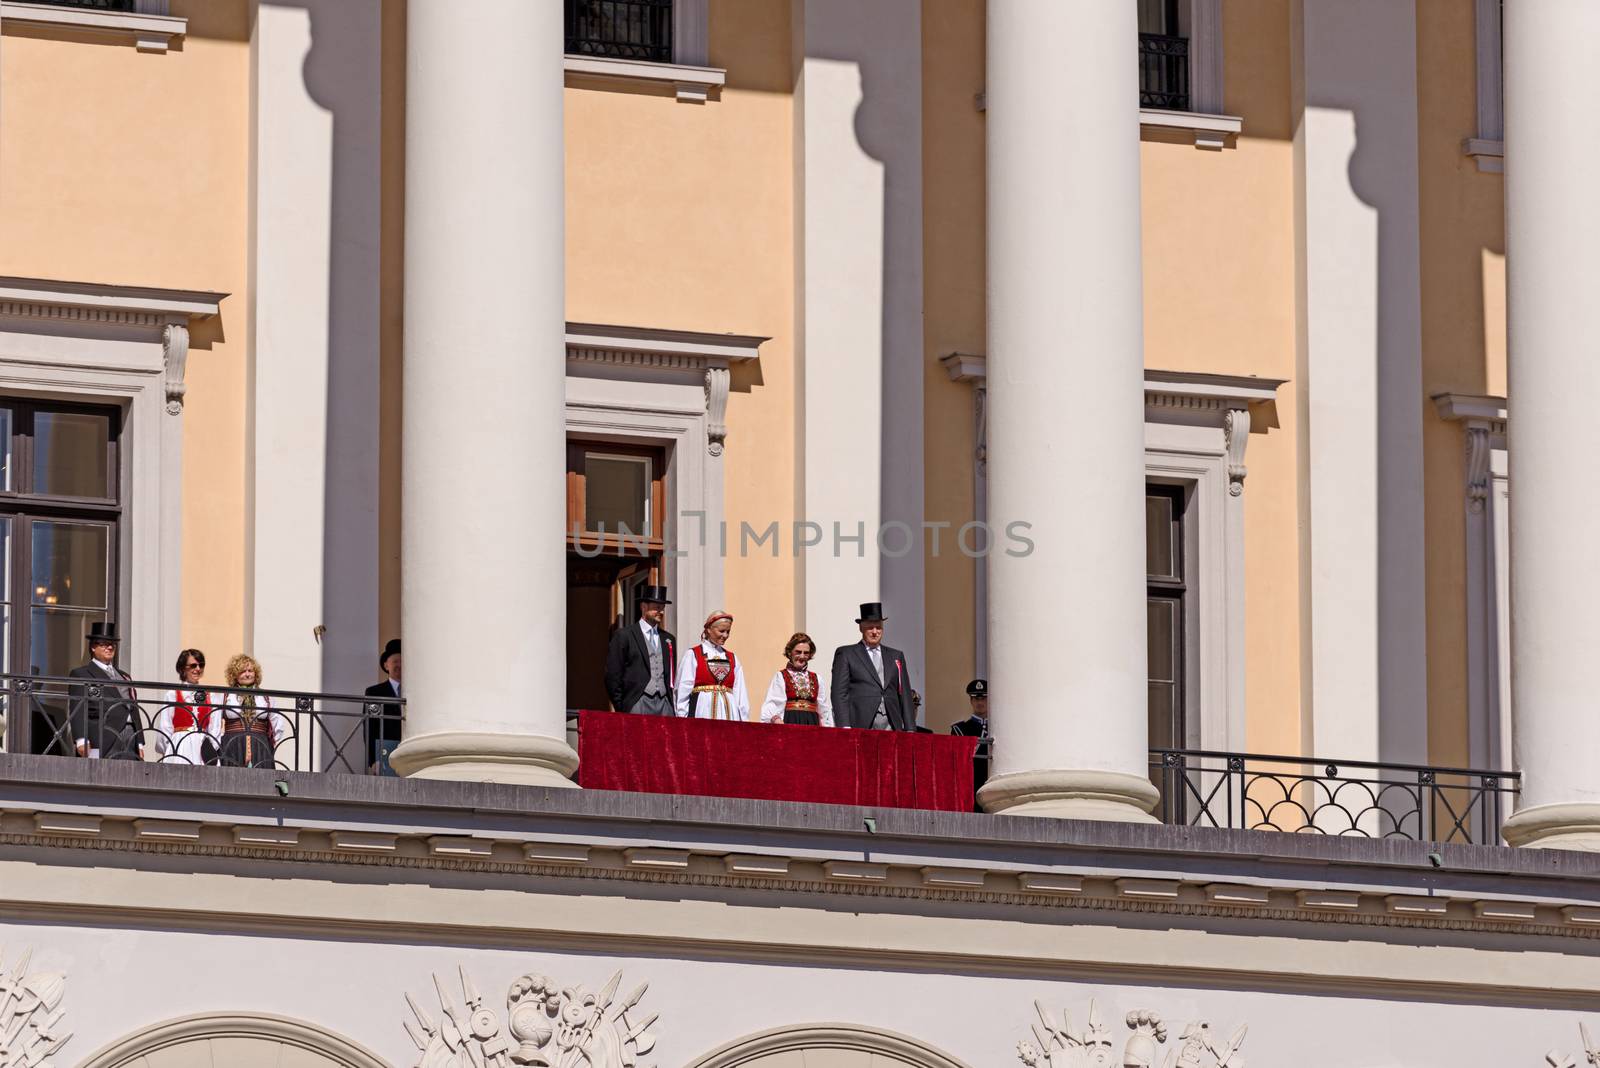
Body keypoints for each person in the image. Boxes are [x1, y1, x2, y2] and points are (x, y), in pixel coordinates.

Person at [829, 602, 914, 731]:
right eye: (870, 627)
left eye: (878, 627)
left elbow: (905, 694)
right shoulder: (847, 654)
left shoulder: (896, 656)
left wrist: (910, 728)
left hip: (891, 724)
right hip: (860, 723)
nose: (875, 632)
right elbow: (839, 693)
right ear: (861, 628)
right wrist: (844, 726)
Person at [68, 622, 143, 760]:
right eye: (104, 644)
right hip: (102, 736)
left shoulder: (125, 676)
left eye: (112, 644)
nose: (109, 647)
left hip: (130, 735)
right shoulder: (82, 674)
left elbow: (134, 708)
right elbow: (77, 709)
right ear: (93, 647)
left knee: (129, 777)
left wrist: (140, 742)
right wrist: (80, 739)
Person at [603, 586, 676, 715]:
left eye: (663, 608)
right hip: (637, 702)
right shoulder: (624, 635)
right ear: (644, 607)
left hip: (665, 704)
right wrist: (624, 705)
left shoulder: (668, 639)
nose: (661, 612)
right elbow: (612, 675)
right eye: (657, 607)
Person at [674, 610, 750, 720]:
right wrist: (682, 720)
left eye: (728, 631)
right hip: (702, 712)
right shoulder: (693, 655)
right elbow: (682, 690)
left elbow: (741, 694)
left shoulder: (732, 658)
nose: (725, 635)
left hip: (729, 714)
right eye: (722, 631)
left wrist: (744, 721)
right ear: (709, 629)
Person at [152, 649, 220, 766]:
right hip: (180, 744)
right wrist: (171, 749)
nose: (198, 669)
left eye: (201, 665)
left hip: (203, 747)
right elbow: (165, 726)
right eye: (193, 665)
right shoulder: (173, 694)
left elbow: (215, 728)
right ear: (183, 668)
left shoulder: (211, 696)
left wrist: (210, 748)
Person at [218, 654, 287, 769]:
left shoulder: (266, 697)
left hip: (260, 746)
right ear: (234, 674)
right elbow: (214, 722)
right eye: (242, 671)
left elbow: (277, 722)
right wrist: (223, 742)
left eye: (250, 670)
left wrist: (269, 744)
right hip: (232, 745)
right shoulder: (226, 695)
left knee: (260, 781)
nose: (247, 674)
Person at [759, 632, 834, 726]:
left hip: (812, 723)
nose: (802, 656)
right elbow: (773, 704)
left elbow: (823, 709)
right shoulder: (781, 676)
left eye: (806, 653)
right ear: (790, 652)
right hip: (790, 721)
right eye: (798, 652)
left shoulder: (817, 678)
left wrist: (827, 729)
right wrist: (777, 720)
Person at [364, 638, 403, 773]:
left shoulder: (416, 693)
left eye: (402, 661)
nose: (399, 665)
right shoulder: (374, 692)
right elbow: (369, 728)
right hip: (386, 753)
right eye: (395, 661)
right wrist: (373, 760)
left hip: (410, 752)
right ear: (386, 665)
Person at [949, 678, 990, 792]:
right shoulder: (960, 730)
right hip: (970, 785)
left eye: (984, 698)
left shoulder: (997, 728)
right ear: (971, 701)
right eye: (976, 699)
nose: (980, 702)